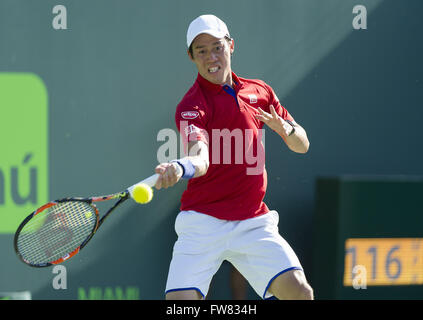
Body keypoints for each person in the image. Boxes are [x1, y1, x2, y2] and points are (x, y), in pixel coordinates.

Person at [155, 14, 313, 300]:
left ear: (231, 46)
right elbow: (200, 156)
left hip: (253, 220)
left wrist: (285, 128)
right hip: (202, 223)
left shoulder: (260, 92)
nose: (211, 57)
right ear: (191, 57)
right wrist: (181, 167)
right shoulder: (191, 105)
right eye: (201, 51)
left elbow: (302, 145)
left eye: (217, 47)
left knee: (300, 292)